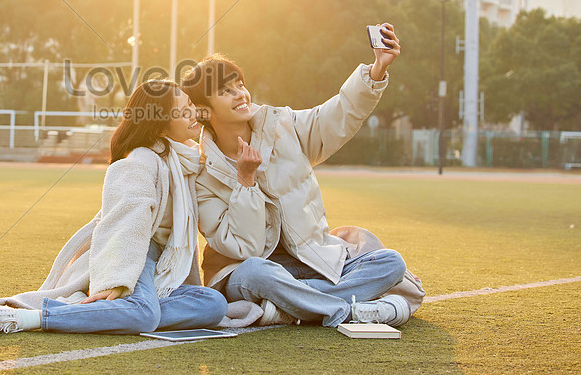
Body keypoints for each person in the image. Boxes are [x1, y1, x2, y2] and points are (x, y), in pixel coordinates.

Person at [180, 23, 421, 328]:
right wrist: (245, 181)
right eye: (225, 91)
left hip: (312, 261)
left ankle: (292, 307)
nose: (240, 94)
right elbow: (246, 249)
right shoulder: (201, 174)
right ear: (203, 110)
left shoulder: (284, 124)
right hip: (253, 272)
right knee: (257, 273)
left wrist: (376, 70)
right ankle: (345, 309)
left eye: (239, 84)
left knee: (390, 263)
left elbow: (338, 115)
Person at [0, 79, 229, 335]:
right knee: (144, 315)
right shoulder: (141, 159)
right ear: (161, 128)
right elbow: (128, 220)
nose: (193, 114)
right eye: (183, 112)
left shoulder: (187, 159)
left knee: (213, 304)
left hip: (163, 264)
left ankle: (123, 311)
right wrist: (117, 277)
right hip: (132, 254)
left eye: (190, 107)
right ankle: (26, 317)